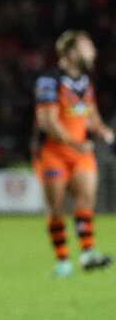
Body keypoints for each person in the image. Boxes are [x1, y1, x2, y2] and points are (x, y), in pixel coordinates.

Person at [32, 30, 113, 277]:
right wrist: (75, 143)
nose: (93, 51)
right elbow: (47, 122)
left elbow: (91, 117)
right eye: (87, 46)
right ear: (71, 52)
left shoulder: (86, 83)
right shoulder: (48, 80)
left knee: (86, 199)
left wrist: (105, 132)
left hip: (81, 152)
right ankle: (63, 262)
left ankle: (88, 255)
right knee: (57, 208)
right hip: (54, 152)